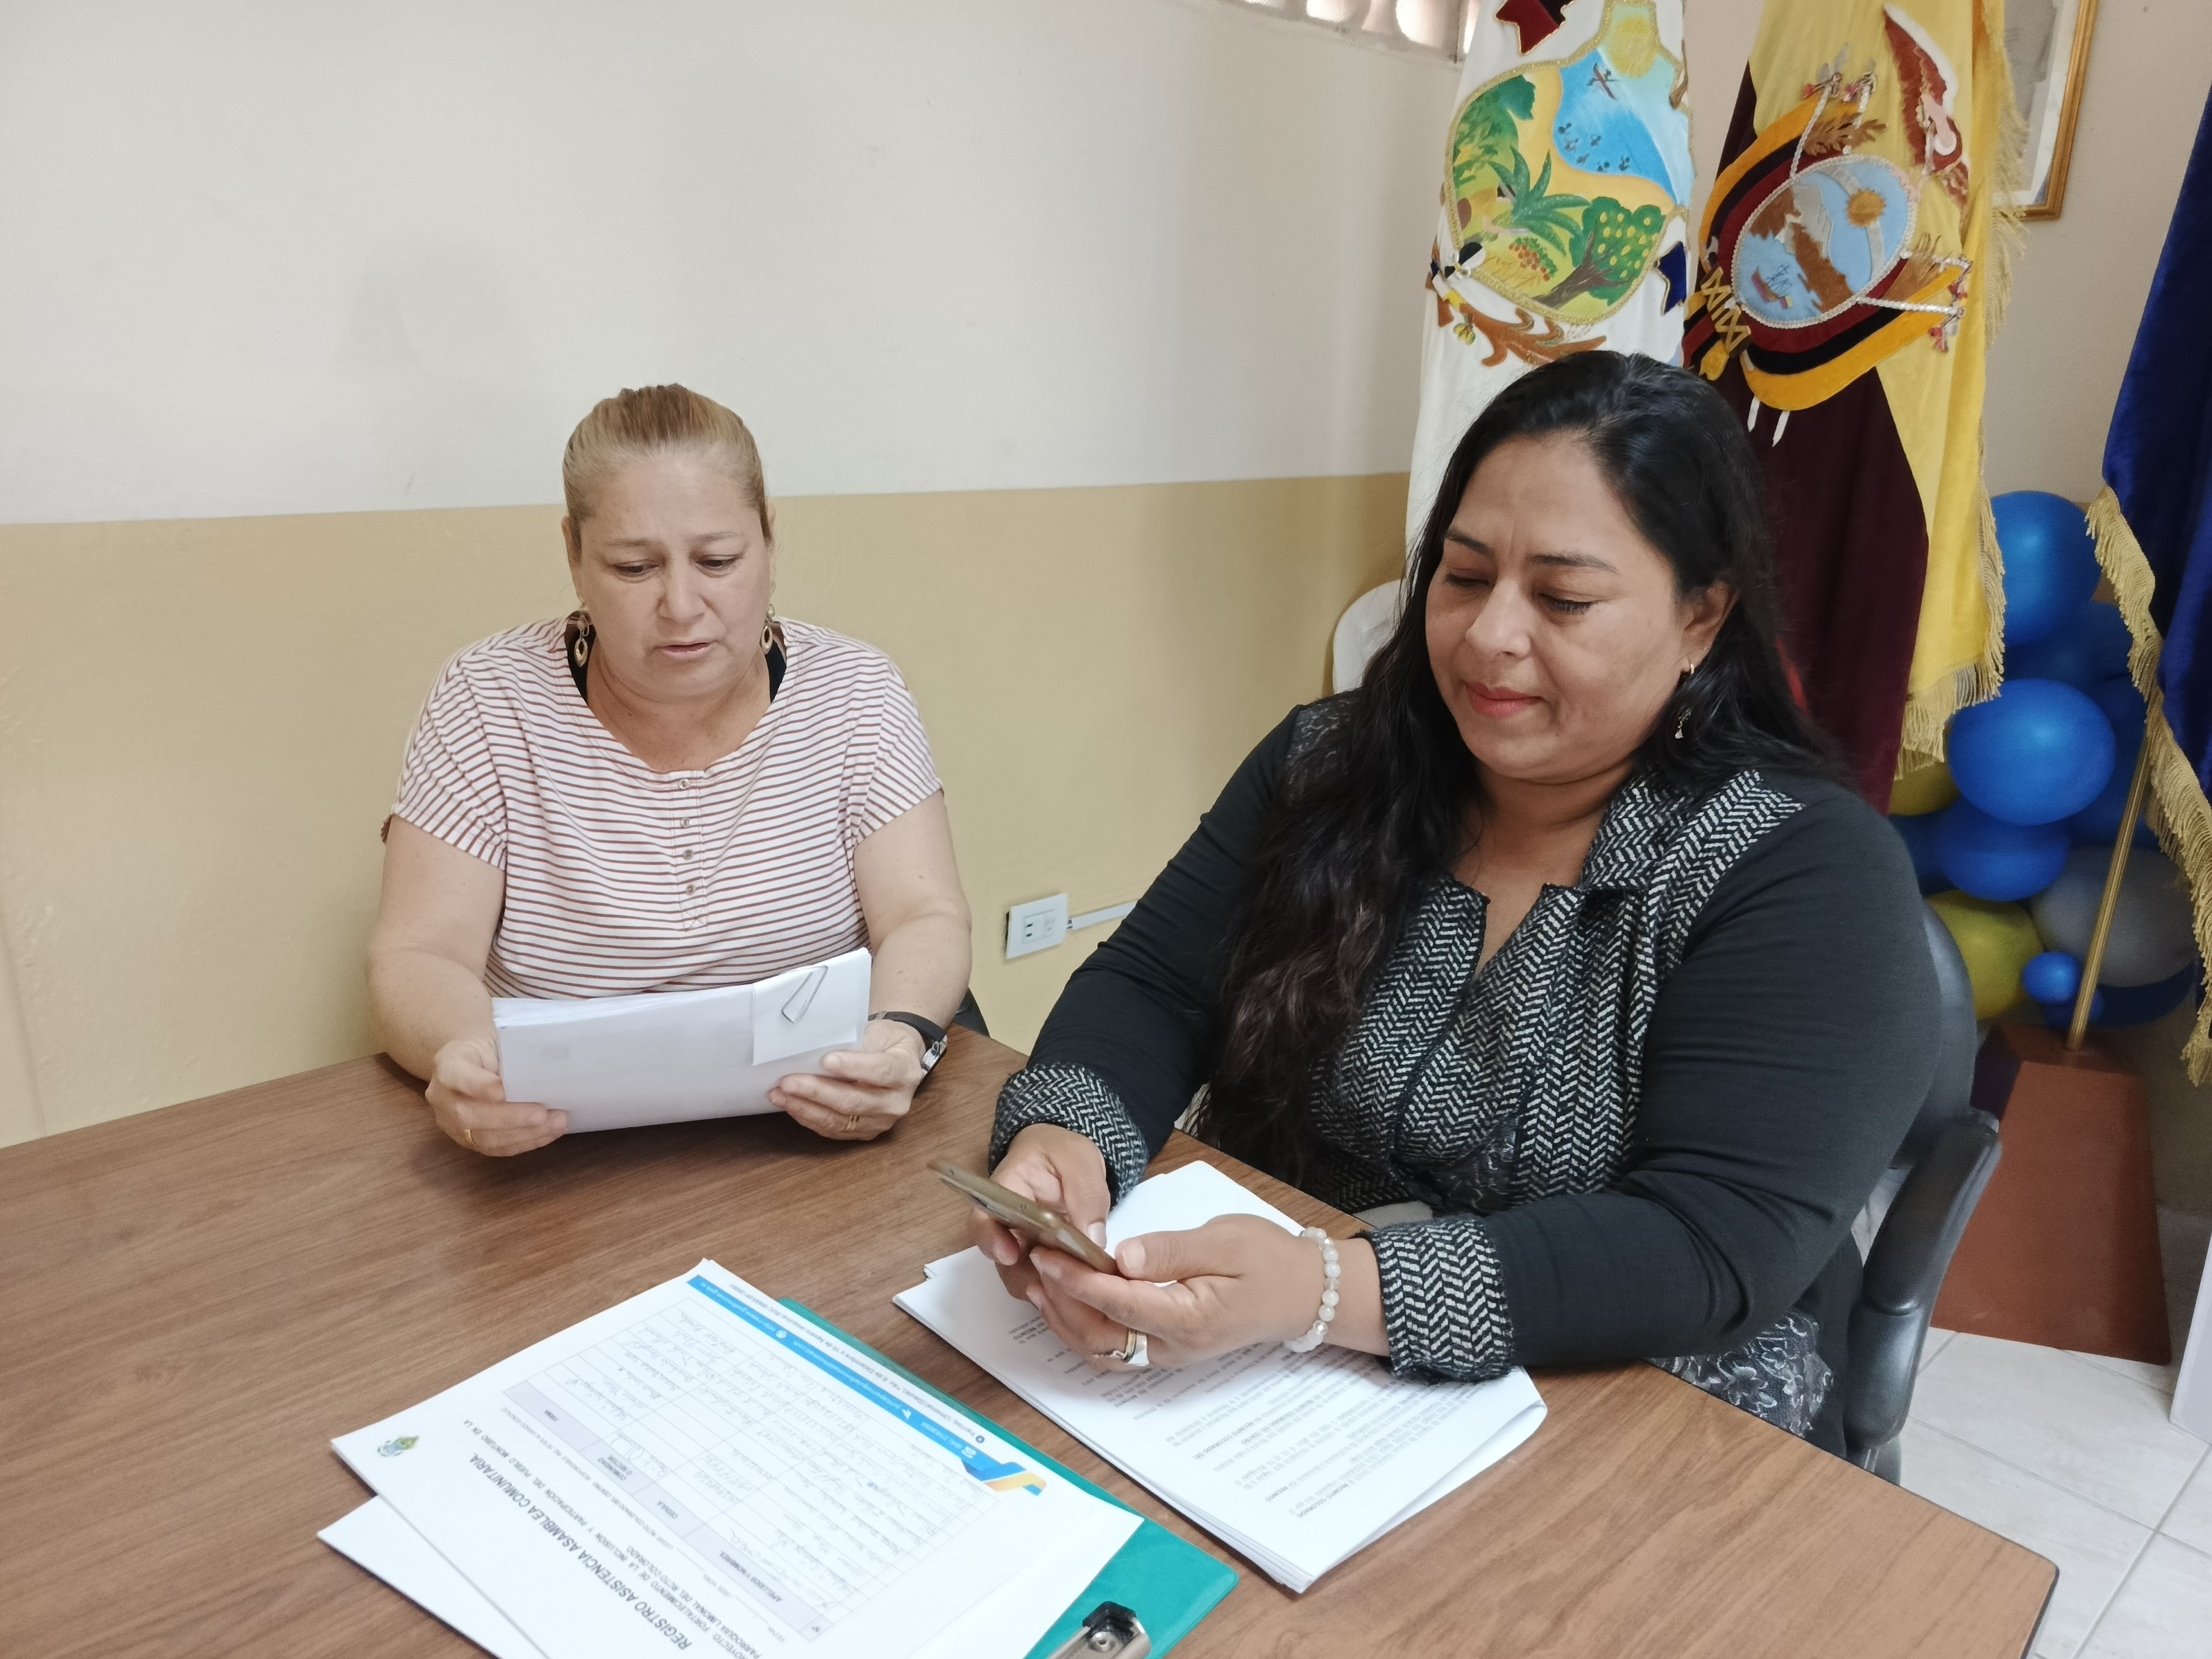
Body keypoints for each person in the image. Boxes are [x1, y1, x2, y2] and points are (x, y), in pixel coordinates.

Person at [968, 352, 1938, 1453]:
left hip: (1630, 1402)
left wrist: (1328, 1291)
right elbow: (1152, 987)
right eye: (1465, 576)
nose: (1487, 637)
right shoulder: (1324, 764)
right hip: (1266, 1370)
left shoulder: (1801, 869)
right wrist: (1068, 1136)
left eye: (1563, 599)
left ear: (1701, 619)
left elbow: (1709, 1244)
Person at [368, 385, 971, 1156]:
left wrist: (898, 1038)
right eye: (634, 567)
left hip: (815, 1132)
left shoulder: (856, 690)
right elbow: (420, 951)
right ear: (574, 555)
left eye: (718, 560)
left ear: (769, 541)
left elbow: (923, 915)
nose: (681, 605)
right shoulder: (488, 697)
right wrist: (465, 1059)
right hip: (557, 1148)